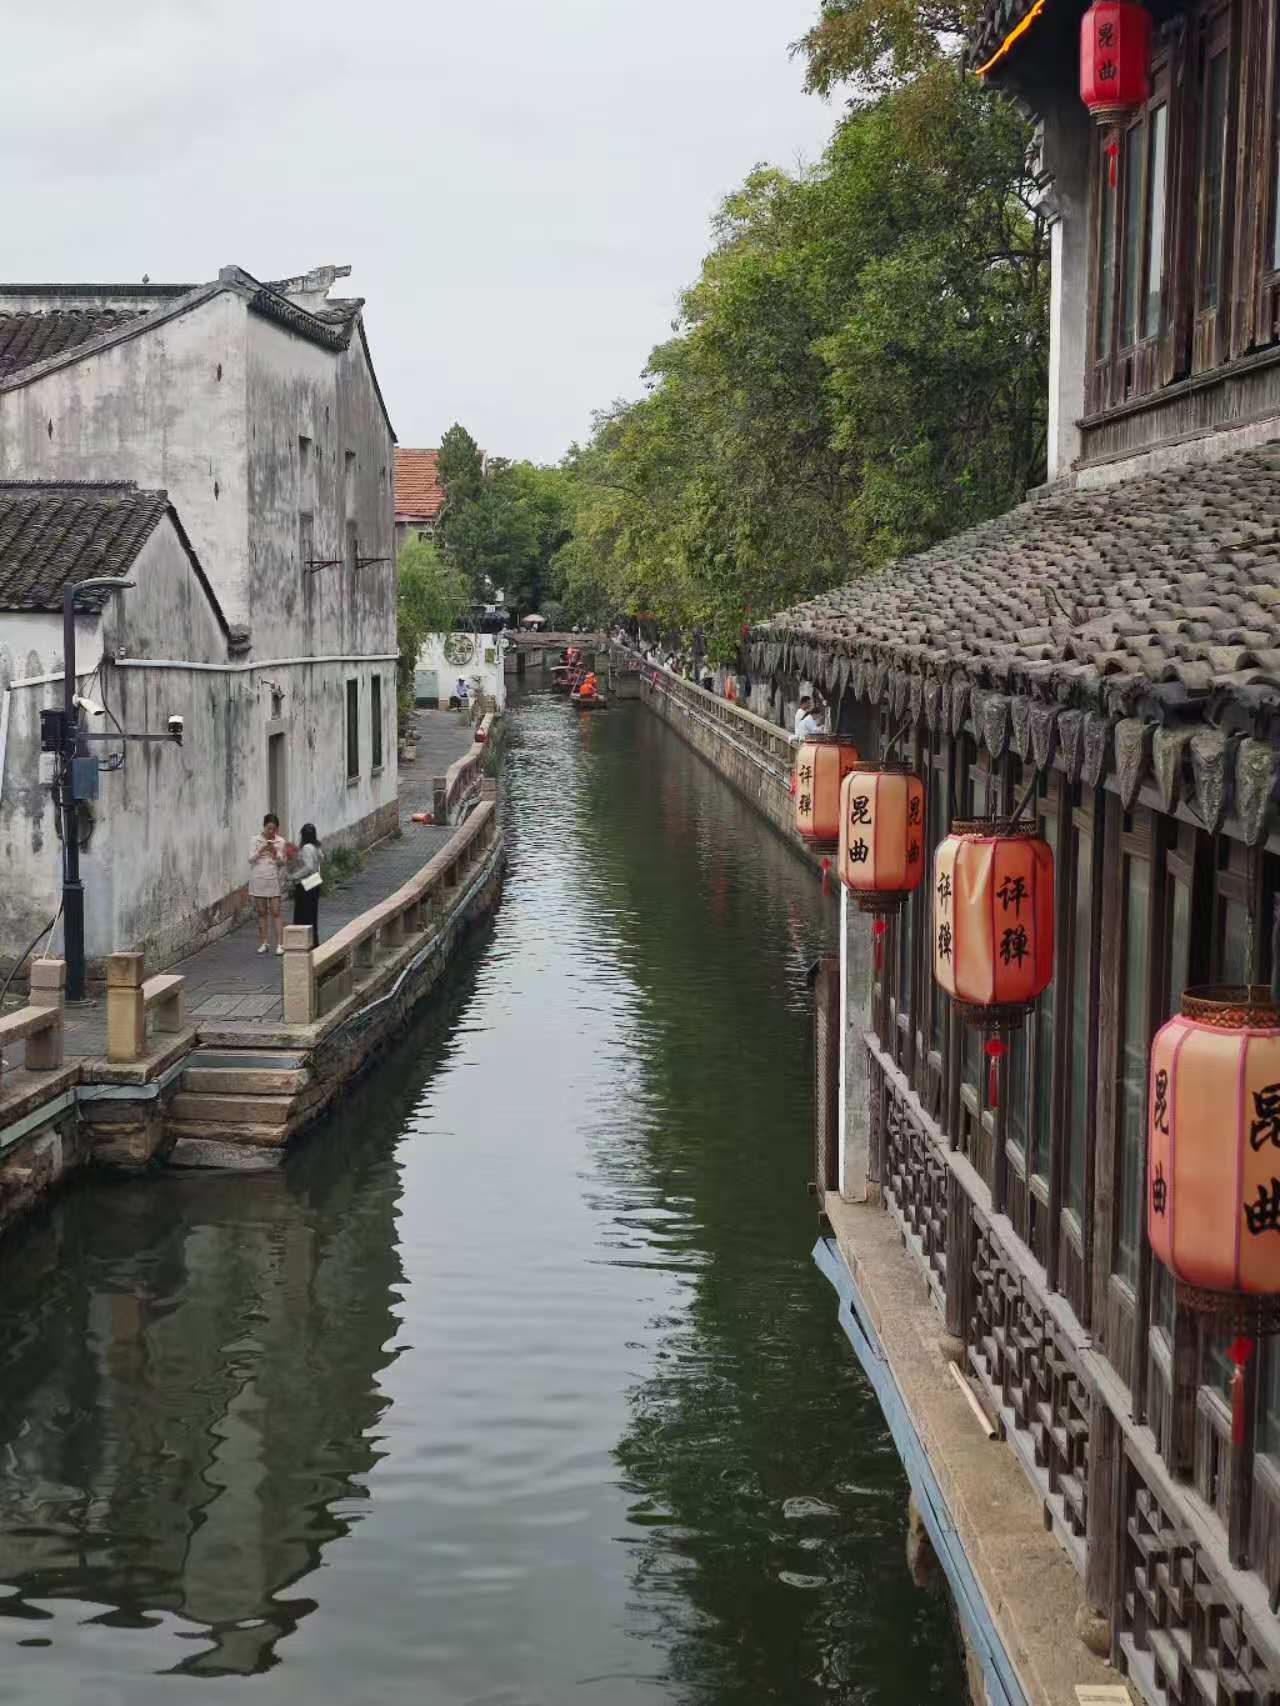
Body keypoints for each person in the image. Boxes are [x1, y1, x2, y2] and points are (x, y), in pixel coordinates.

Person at [249, 813, 286, 955]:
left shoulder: (280, 841)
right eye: (269, 828)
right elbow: (250, 859)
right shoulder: (255, 840)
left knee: (276, 911)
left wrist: (274, 851)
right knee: (261, 912)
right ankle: (264, 942)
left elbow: (282, 862)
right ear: (264, 827)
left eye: (274, 829)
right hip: (258, 878)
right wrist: (261, 849)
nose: (271, 832)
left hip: (272, 878)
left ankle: (280, 944)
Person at [290, 823, 323, 940]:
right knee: (312, 914)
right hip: (315, 882)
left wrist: (294, 876)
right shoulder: (316, 847)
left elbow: (308, 867)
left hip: (306, 884)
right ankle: (313, 940)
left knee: (304, 914)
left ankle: (304, 941)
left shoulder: (307, 848)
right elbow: (321, 859)